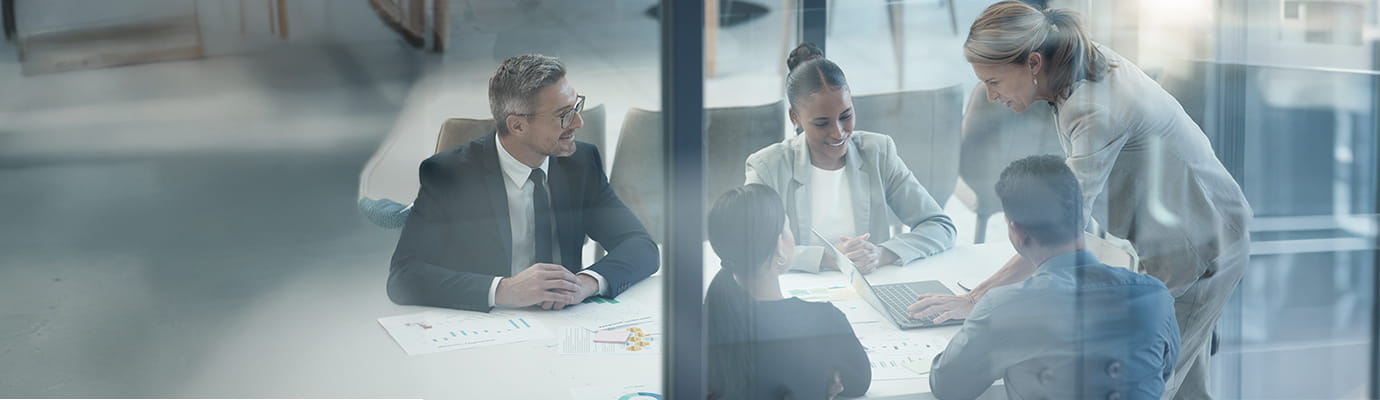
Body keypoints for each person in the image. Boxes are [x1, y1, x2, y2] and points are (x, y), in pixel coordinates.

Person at [909, 3, 1251, 398]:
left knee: (1156, 380)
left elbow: (1058, 225)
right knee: (1183, 382)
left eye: (995, 82)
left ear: (1033, 63)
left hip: (1202, 248)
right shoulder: (1072, 67)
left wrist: (977, 298)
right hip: (1180, 239)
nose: (990, 95)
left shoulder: (1094, 110)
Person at [387, 54, 659, 312]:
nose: (578, 121)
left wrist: (584, 284)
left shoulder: (581, 164)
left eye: (577, 105)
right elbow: (403, 277)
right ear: (517, 126)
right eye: (564, 114)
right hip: (486, 327)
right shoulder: (449, 174)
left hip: (563, 325)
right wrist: (504, 290)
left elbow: (640, 246)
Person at [928, 155, 1180, 400]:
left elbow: (948, 387)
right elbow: (1162, 373)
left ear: (1017, 233)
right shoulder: (1155, 296)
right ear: (1080, 217)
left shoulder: (1005, 308)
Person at [746, 42, 956, 274]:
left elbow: (940, 226)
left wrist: (880, 254)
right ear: (795, 117)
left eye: (846, 116)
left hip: (868, 289)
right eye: (822, 123)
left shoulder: (878, 152)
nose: (838, 132)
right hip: (799, 293)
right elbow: (752, 246)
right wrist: (830, 258)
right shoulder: (767, 166)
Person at [706, 184, 871, 399]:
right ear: (779, 245)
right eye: (787, 227)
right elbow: (858, 384)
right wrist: (826, 373)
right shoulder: (824, 321)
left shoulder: (704, 320)